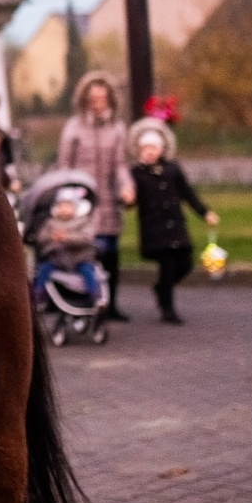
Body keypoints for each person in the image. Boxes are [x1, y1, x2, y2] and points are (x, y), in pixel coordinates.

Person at [56, 71, 135, 321]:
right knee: (86, 249)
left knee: (111, 252)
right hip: (81, 199)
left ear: (110, 100)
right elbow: (65, 165)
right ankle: (85, 299)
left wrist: (127, 186)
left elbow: (121, 164)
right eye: (93, 99)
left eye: (102, 98)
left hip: (109, 199)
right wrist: (65, 195)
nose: (98, 103)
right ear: (85, 100)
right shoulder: (74, 127)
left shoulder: (117, 128)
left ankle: (111, 304)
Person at [129, 117, 219, 324]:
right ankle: (168, 309)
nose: (149, 152)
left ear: (161, 149)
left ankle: (161, 288)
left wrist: (204, 212)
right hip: (155, 228)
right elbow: (130, 198)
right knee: (167, 265)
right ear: (140, 151)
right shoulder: (137, 174)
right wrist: (127, 199)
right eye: (145, 149)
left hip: (176, 225)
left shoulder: (172, 170)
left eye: (153, 148)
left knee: (185, 263)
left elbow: (187, 193)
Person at [31, 187, 100, 307]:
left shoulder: (83, 222)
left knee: (88, 271)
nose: (64, 209)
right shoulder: (51, 223)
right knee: (43, 269)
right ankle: (38, 295)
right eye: (61, 206)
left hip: (79, 257)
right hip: (56, 258)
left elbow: (87, 238)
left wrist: (67, 238)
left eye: (68, 206)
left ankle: (95, 296)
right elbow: (41, 237)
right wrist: (52, 237)